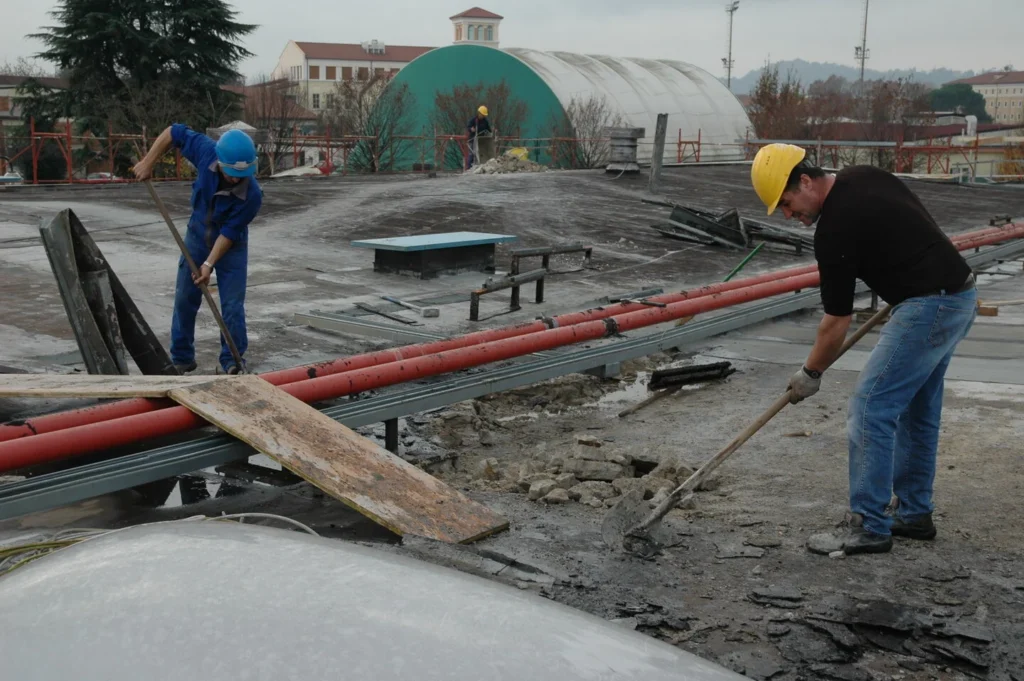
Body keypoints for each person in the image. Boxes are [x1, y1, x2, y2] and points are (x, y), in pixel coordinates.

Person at [750, 143, 977, 556]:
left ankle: (868, 525)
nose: (788, 215)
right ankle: (913, 513)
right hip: (958, 295)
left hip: (928, 305)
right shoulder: (864, 177)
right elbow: (911, 229)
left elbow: (836, 322)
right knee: (917, 410)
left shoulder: (835, 227)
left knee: (871, 408)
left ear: (805, 181)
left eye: (786, 203)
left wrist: (810, 374)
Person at [133, 125, 262, 375]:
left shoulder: (253, 195)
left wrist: (209, 264)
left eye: (243, 173)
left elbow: (229, 233)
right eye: (233, 173)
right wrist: (148, 162)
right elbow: (173, 132)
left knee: (232, 305)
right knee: (185, 297)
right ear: (220, 161)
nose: (237, 179)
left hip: (231, 245)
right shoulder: (207, 151)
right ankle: (182, 357)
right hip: (197, 234)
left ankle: (232, 361)